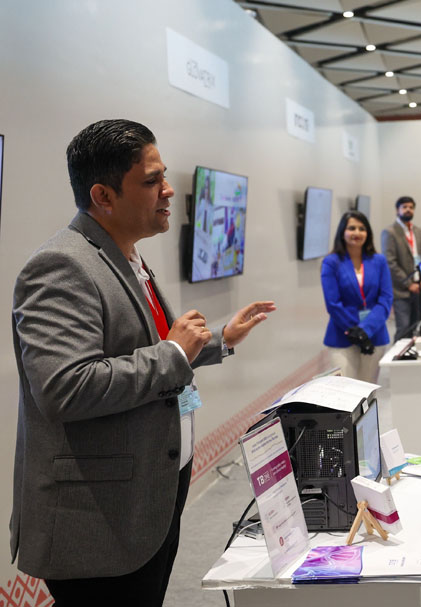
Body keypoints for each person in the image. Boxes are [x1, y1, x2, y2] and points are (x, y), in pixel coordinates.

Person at [10, 119, 276, 607]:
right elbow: (65, 388)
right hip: (98, 521)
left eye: (164, 176)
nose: (169, 190)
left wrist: (219, 339)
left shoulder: (125, 255)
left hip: (145, 500)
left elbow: (146, 348)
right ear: (103, 196)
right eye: (152, 180)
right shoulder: (61, 265)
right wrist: (174, 351)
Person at [321, 211, 392, 382]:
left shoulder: (379, 261)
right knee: (346, 391)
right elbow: (333, 303)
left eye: (362, 229)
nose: (357, 233)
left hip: (374, 335)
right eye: (352, 228)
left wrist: (365, 330)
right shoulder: (331, 262)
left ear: (368, 233)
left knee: (368, 390)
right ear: (342, 232)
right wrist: (355, 331)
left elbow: (385, 299)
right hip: (341, 337)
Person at [381, 195, 421, 341]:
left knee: (418, 327)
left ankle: (416, 354)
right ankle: (399, 354)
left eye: (411, 207)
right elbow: (390, 262)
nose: (408, 210)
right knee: (404, 328)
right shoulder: (390, 232)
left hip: (419, 288)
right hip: (401, 291)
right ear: (397, 210)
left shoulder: (419, 231)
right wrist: (409, 284)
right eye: (404, 207)